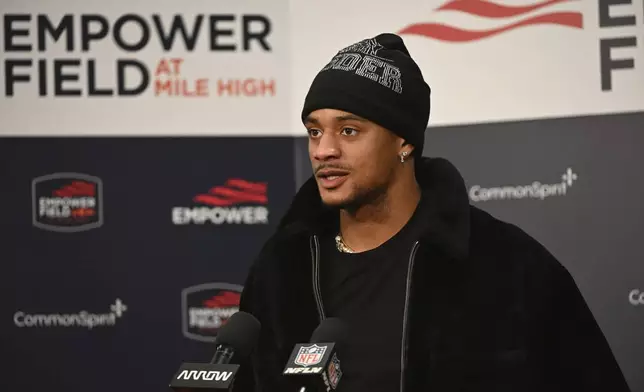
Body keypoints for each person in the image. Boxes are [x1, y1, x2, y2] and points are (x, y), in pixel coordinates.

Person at [232, 33, 631, 392]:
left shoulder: (507, 265)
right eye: (315, 131)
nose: (323, 150)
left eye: (348, 130)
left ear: (403, 140)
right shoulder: (280, 270)